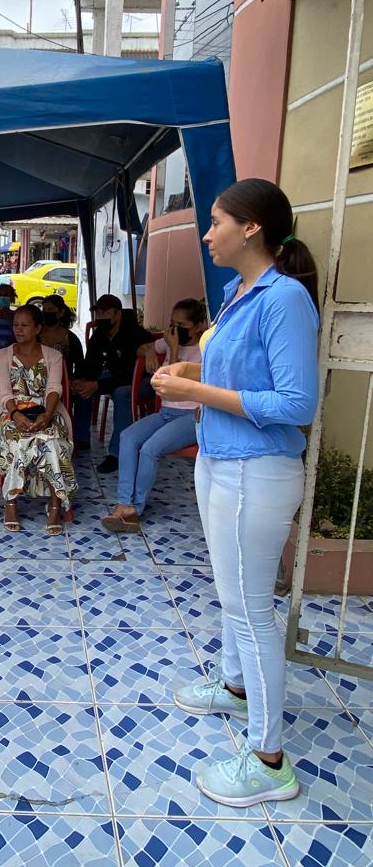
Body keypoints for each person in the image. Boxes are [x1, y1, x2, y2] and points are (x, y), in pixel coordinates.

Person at [151, 179, 320, 808]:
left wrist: (195, 393)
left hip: (257, 470)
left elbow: (296, 403)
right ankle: (235, 687)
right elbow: (242, 373)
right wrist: (192, 371)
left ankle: (269, 760)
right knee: (232, 595)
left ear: (251, 228)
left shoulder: (284, 299)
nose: (206, 232)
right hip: (220, 459)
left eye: (217, 221)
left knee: (251, 612)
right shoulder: (236, 293)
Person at [101, 298, 207, 532]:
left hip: (192, 415)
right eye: (172, 324)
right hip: (167, 412)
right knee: (129, 437)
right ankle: (123, 503)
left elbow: (176, 384)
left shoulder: (205, 349)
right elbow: (140, 348)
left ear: (199, 325)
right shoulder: (169, 341)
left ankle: (134, 509)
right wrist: (150, 351)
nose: (175, 330)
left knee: (150, 448)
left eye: (182, 325)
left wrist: (174, 349)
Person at [0, 304, 77, 535]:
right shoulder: (3, 355)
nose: (18, 329)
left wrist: (47, 415)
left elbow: (54, 388)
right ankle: (10, 503)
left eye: (25, 325)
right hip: (10, 412)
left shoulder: (53, 356)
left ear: (38, 328)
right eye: (16, 324)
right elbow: (4, 393)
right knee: (15, 440)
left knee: (52, 442)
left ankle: (55, 505)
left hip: (47, 411)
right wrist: (15, 415)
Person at [70, 294, 156, 468]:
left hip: (143, 380)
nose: (100, 317)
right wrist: (80, 380)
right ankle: (81, 439)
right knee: (83, 387)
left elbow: (128, 375)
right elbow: (91, 365)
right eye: (97, 313)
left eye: (104, 312)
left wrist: (97, 385)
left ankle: (118, 454)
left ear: (117, 314)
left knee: (122, 394)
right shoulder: (99, 335)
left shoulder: (135, 335)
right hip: (115, 376)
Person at [38, 295, 84, 380]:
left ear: (61, 312)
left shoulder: (71, 339)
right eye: (44, 309)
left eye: (50, 309)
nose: (46, 312)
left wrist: (71, 381)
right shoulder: (35, 335)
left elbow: (80, 366)